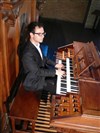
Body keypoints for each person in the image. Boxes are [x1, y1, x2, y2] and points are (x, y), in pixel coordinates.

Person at [21, 21, 65, 95]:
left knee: (60, 79)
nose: (43, 36)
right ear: (31, 35)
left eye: (43, 33)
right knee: (58, 91)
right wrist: (55, 72)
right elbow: (37, 72)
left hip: (40, 71)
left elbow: (43, 58)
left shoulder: (36, 43)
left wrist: (55, 65)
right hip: (33, 81)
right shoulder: (27, 53)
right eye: (39, 34)